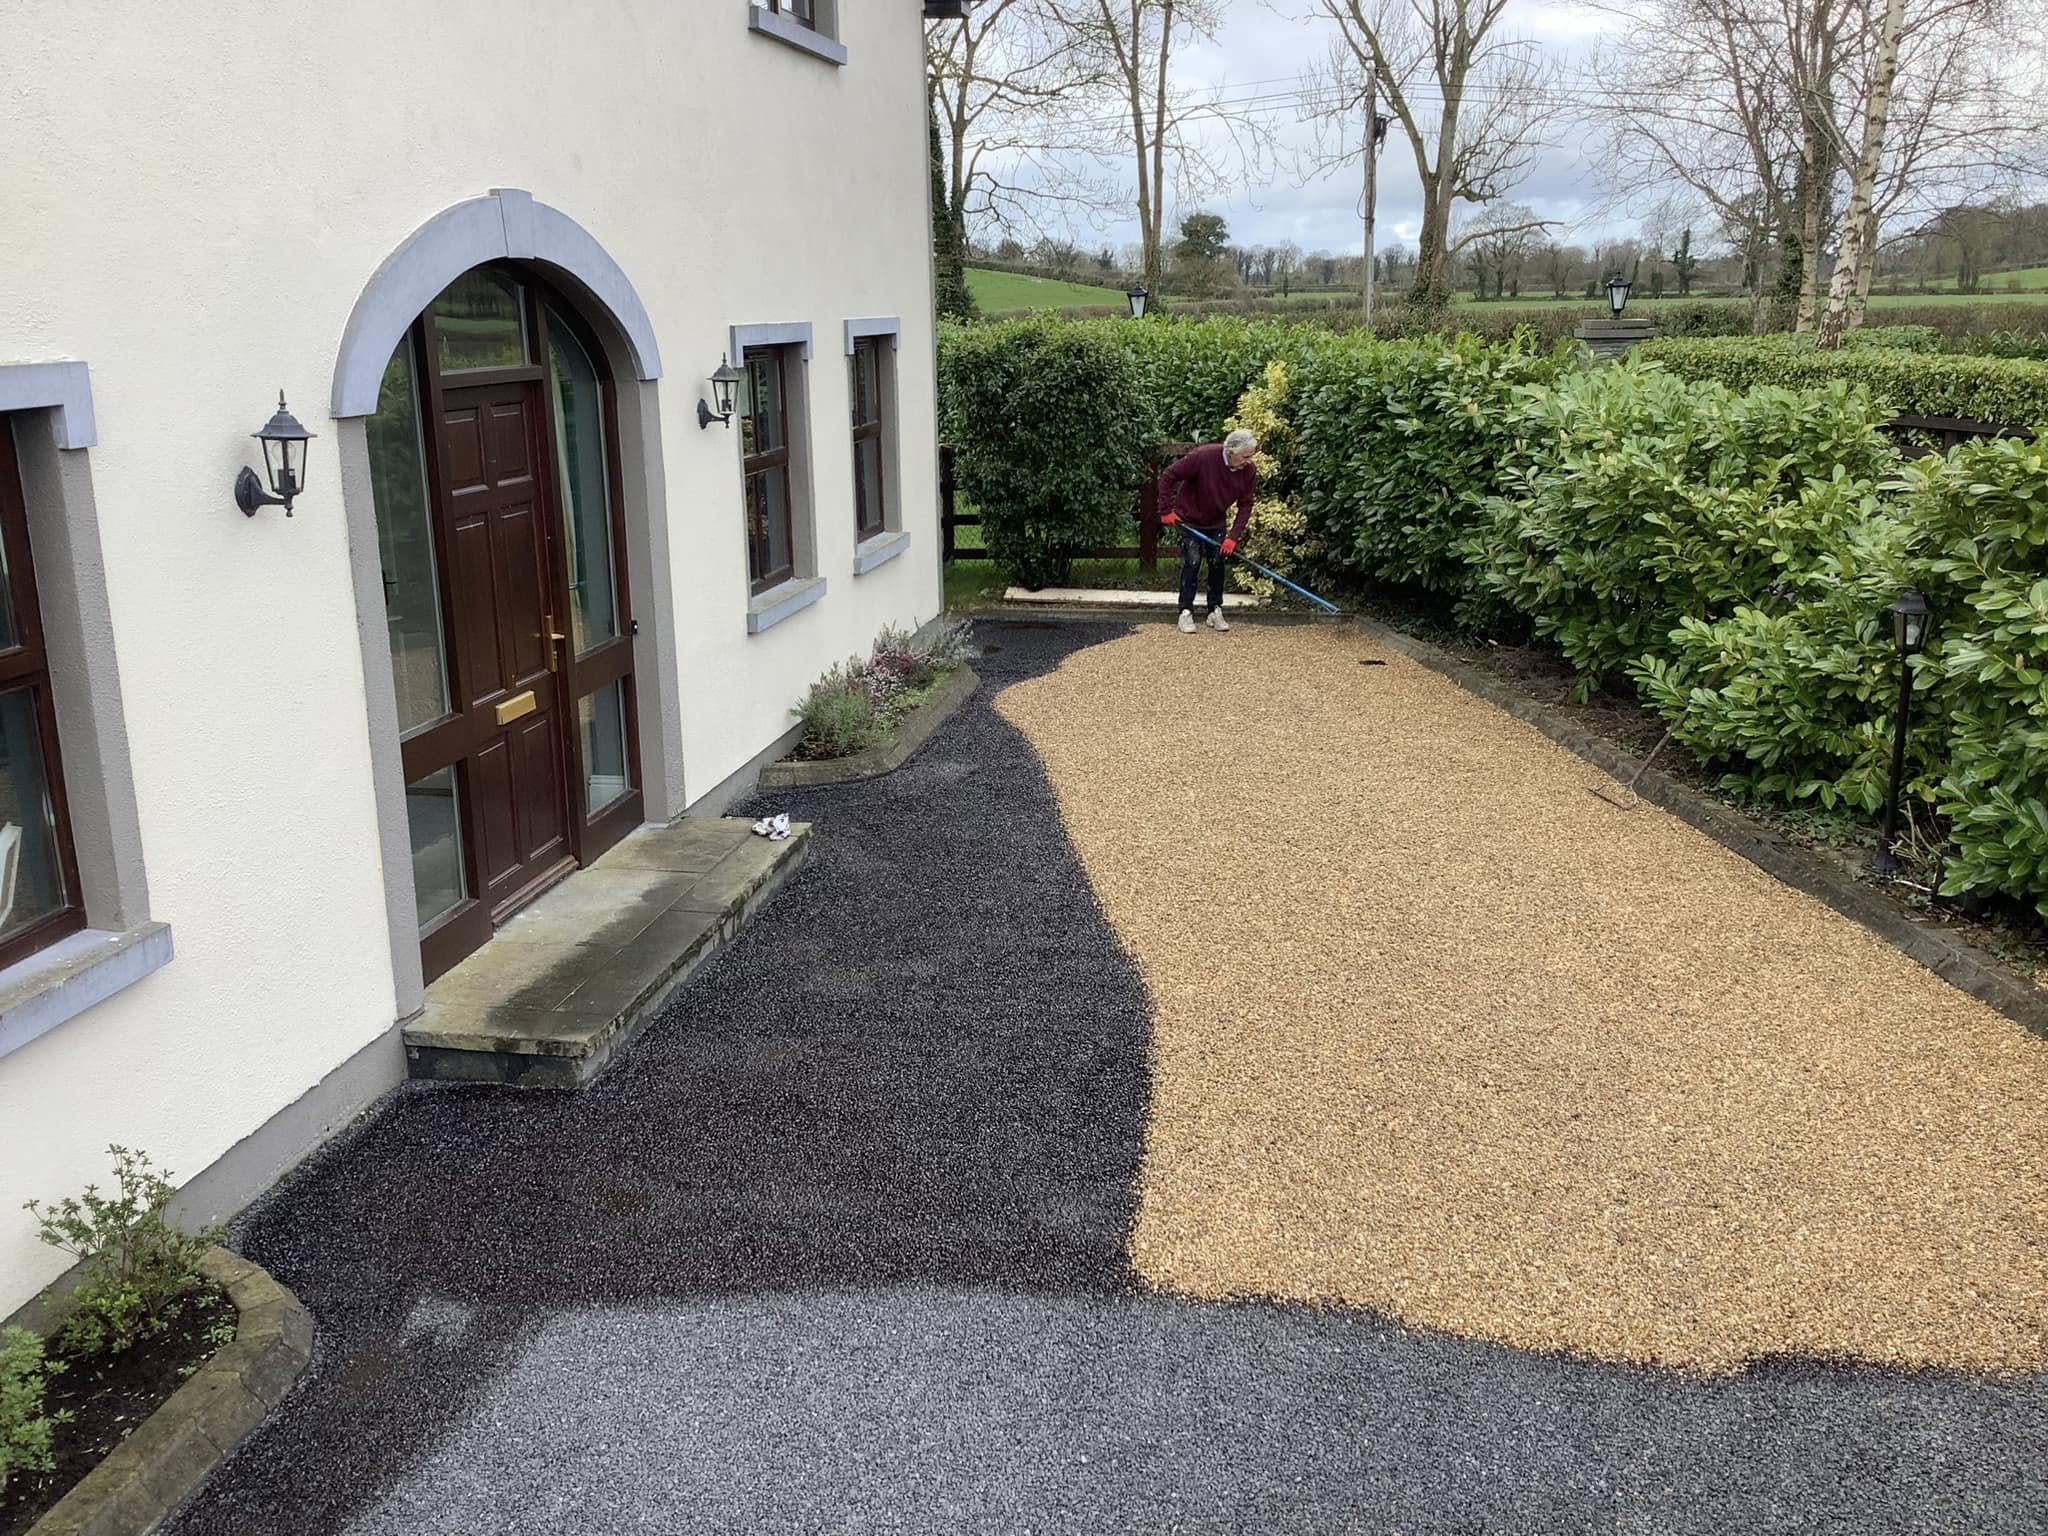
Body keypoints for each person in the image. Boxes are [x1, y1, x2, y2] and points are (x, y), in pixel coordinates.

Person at [1159, 428, 1258, 634]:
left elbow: (1246, 505)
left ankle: (1215, 609)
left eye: (1251, 456)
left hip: (1216, 521)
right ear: (1231, 451)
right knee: (1193, 562)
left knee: (1217, 563)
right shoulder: (1202, 457)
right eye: (1245, 456)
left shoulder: (1248, 470)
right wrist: (1166, 510)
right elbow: (1169, 475)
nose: (1248, 461)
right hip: (1189, 520)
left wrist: (1233, 537)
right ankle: (1185, 611)